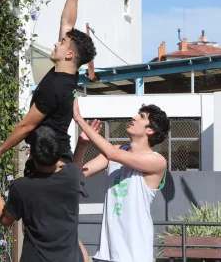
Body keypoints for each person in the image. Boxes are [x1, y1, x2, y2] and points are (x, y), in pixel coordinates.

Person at [0, 0, 97, 168]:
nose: (56, 44)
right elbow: (68, 21)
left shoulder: (56, 86)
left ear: (69, 55)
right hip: (52, 155)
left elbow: (26, 126)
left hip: (52, 163)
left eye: (62, 43)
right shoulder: (68, 75)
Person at [72, 98, 170, 262]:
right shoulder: (118, 149)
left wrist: (79, 119)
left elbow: (112, 154)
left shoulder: (157, 161)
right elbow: (76, 175)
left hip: (135, 254)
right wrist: (81, 145)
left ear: (151, 130)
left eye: (141, 116)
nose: (134, 117)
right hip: (106, 253)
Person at [0, 126, 89, 262]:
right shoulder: (74, 176)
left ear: (32, 154)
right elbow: (68, 166)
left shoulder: (22, 187)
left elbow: (5, 219)